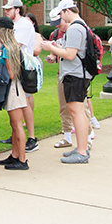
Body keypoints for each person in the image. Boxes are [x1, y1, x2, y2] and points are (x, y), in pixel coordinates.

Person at [43, 9, 94, 149]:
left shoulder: (75, 29)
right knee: (67, 108)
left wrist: (51, 47)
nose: (57, 26)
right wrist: (53, 52)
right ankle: (71, 140)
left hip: (76, 74)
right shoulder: (57, 34)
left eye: (59, 21)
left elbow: (70, 54)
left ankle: (85, 143)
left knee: (80, 110)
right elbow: (63, 52)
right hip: (65, 74)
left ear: (65, 14)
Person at [0, 0, 39, 152]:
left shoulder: (23, 24)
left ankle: (31, 138)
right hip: (17, 66)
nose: (6, 11)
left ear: (17, 9)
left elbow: (16, 45)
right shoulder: (16, 24)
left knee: (25, 103)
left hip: (23, 68)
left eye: (9, 9)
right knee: (20, 104)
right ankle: (17, 134)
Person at [0, 16, 30, 170]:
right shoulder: (11, 46)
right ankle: (15, 155)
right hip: (15, 88)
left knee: (17, 125)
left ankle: (22, 159)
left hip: (13, 89)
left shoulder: (7, 48)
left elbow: (11, 73)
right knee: (14, 124)